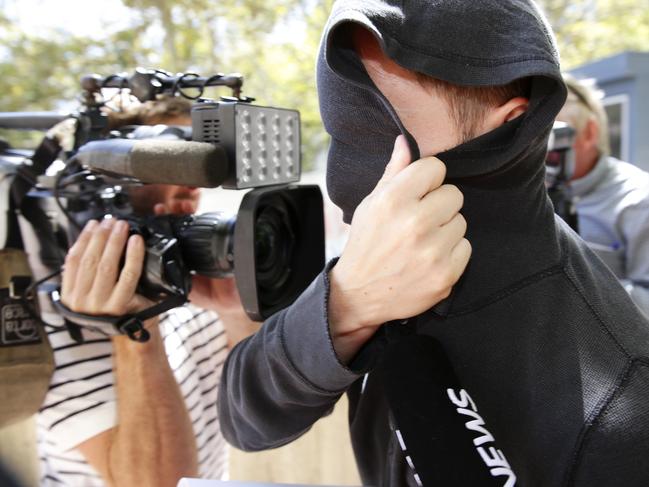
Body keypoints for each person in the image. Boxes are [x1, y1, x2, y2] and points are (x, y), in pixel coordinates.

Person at [217, 1, 649, 486]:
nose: (350, 167)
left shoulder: (618, 408)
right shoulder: (384, 258)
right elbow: (243, 419)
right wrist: (344, 306)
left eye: (378, 128)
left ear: (508, 127)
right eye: (343, 132)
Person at [36, 96, 260, 487]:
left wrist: (236, 311)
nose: (196, 177)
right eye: (172, 156)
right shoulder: (58, 310)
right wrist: (137, 330)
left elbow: (256, 414)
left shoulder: (195, 268)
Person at [556, 74, 649, 316]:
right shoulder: (528, 190)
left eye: (552, 137)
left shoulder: (637, 201)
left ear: (589, 133)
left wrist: (576, 275)